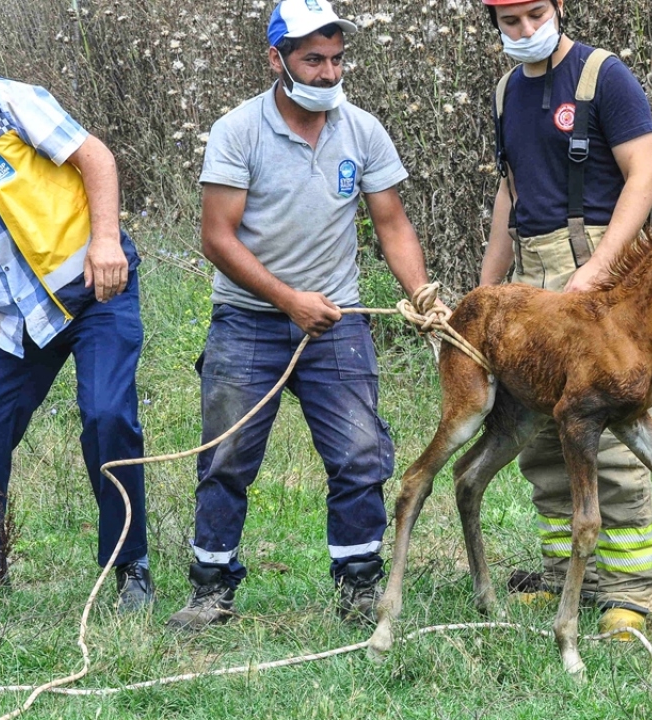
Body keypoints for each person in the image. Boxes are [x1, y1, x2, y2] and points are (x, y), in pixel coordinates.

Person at [167, 0, 445, 630]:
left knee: (359, 454)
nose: (327, 73)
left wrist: (422, 294)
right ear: (277, 59)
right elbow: (218, 237)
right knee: (226, 457)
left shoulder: (363, 130)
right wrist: (288, 300)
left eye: (336, 59)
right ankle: (211, 591)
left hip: (338, 321)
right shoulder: (238, 130)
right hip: (247, 322)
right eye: (312, 60)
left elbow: (392, 222)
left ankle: (359, 587)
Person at [0, 69, 155, 611]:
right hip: (4, 323)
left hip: (91, 289)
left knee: (107, 414)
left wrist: (106, 240)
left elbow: (96, 158)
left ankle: (130, 566)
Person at [476, 0, 652, 637]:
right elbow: (511, 191)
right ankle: (565, 573)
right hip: (529, 277)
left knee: (606, 432)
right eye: (511, 23)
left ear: (559, 8)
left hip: (592, 269)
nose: (527, 31)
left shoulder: (604, 77)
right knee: (537, 432)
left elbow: (644, 175)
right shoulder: (506, 91)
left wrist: (601, 266)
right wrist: (486, 288)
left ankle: (632, 592)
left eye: (536, 15)